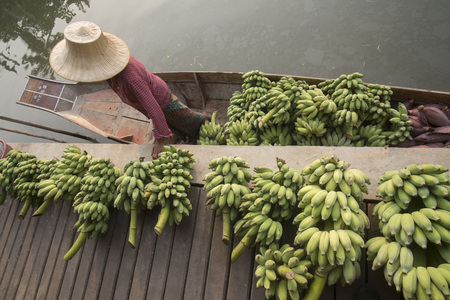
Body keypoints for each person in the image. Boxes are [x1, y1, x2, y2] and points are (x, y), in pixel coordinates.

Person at [49, 21, 208, 159]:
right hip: (143, 100)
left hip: (161, 100)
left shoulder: (130, 78)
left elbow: (153, 108)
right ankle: (179, 131)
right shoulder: (111, 71)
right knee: (172, 123)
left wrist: (160, 140)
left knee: (187, 119)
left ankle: (202, 128)